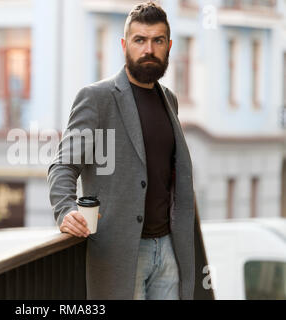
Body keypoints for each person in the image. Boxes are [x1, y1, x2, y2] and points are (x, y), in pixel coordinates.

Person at [47, 1, 195, 300]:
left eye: (157, 41)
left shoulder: (169, 100)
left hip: (169, 249)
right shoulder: (97, 98)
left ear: (169, 46)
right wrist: (65, 209)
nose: (148, 49)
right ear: (125, 44)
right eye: (140, 40)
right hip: (120, 252)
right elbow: (63, 165)